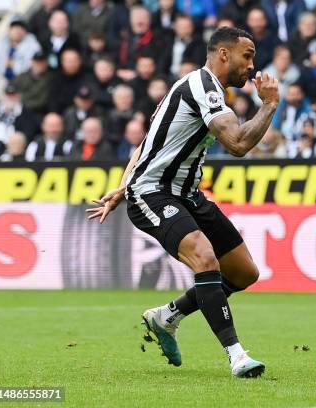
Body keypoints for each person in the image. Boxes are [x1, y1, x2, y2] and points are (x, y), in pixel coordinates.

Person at [86, 27, 279, 378]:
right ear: (223, 53)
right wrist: (269, 104)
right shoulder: (202, 88)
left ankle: (166, 317)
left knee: (244, 272)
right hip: (152, 192)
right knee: (205, 258)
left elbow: (146, 142)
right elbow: (237, 145)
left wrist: (120, 183)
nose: (252, 66)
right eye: (247, 56)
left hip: (188, 194)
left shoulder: (208, 92)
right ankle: (236, 355)